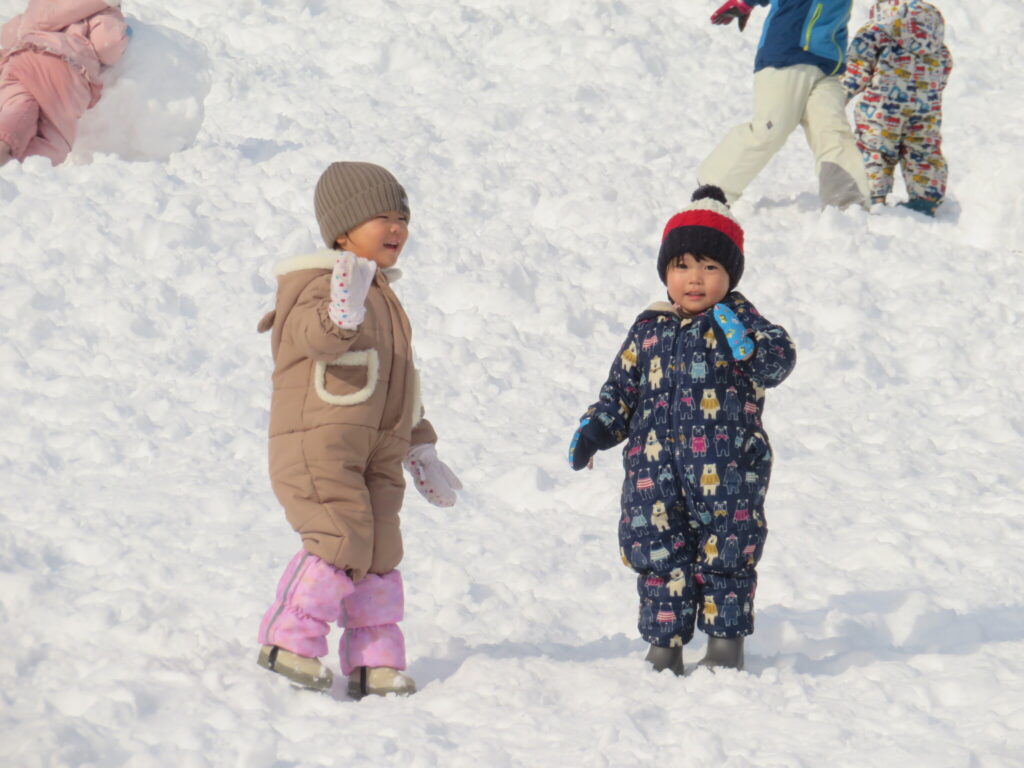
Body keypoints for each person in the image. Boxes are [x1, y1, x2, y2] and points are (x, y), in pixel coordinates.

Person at [255, 162, 462, 698]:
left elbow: (400, 380)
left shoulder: (385, 297)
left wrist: (421, 445)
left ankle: (375, 662)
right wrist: (339, 312)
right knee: (339, 539)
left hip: (378, 449)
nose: (397, 228)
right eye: (382, 217)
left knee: (381, 551)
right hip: (319, 446)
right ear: (343, 230)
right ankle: (288, 641)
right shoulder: (315, 284)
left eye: (403, 218)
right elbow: (314, 337)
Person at [569, 186, 795, 674]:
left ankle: (724, 643)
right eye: (682, 266)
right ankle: (664, 645)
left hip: (729, 468)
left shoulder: (739, 321)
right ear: (666, 273)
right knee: (657, 553)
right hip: (653, 472)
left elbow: (779, 361)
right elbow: (621, 390)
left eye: (710, 267)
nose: (695, 278)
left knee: (728, 549)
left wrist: (751, 347)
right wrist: (595, 429)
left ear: (730, 275)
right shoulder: (647, 328)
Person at [697, 0, 870, 208]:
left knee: (833, 133)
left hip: (828, 62)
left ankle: (848, 205)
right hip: (788, 51)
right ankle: (712, 190)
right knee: (769, 129)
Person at [842, 0, 952, 216]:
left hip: (881, 107)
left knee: (874, 149)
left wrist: (837, 97)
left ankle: (872, 197)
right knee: (923, 149)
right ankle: (925, 200)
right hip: (925, 108)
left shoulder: (875, 31)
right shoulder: (933, 31)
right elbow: (944, 66)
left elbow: (857, 68)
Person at [0, 0, 128, 167]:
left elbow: (9, 33)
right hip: (63, 70)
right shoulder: (101, 15)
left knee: (19, 110)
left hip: (21, 61)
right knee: (52, 141)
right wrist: (121, 28)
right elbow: (107, 47)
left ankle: (5, 151)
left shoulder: (42, 6)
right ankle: (18, 171)